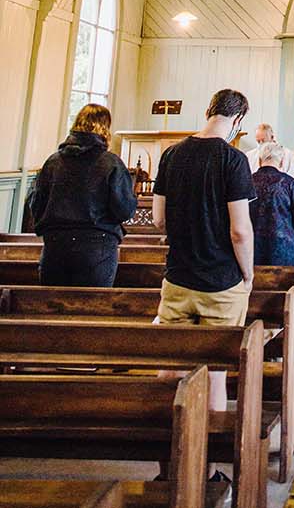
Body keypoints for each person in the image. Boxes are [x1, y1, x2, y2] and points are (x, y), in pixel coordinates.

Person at [152, 88, 255, 411]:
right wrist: (248, 274)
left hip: (178, 277)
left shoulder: (172, 154)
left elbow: (158, 219)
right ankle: (209, 455)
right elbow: (239, 231)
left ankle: (166, 439)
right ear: (237, 119)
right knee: (215, 372)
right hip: (221, 282)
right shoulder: (233, 160)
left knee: (170, 364)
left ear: (208, 111)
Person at [28, 103, 137, 286]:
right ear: (105, 128)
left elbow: (36, 204)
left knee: (51, 309)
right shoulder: (111, 163)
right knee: (92, 308)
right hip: (97, 248)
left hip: (56, 246)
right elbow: (124, 210)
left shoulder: (53, 162)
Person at [250, 141, 294, 265]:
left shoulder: (247, 181)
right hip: (282, 253)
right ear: (282, 161)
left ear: (259, 161)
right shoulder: (289, 183)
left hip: (251, 251)